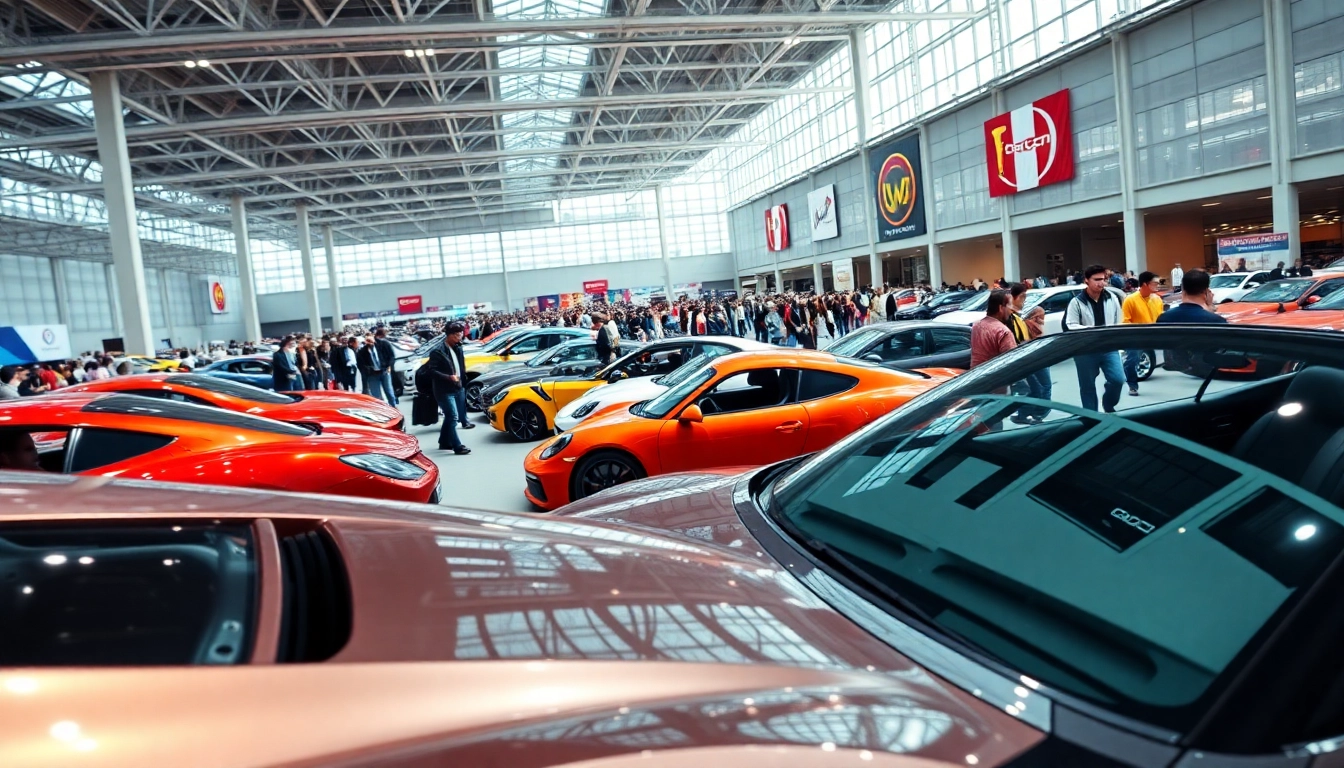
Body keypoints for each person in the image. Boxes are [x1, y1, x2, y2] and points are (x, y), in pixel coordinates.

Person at [1063, 264, 1125, 413]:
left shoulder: (1111, 298)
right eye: (1096, 280)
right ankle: (1091, 417)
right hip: (1086, 350)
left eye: (1103, 279)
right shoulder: (1077, 302)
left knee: (1118, 380)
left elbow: (1118, 321)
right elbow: (1071, 325)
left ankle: (1108, 404)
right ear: (1086, 280)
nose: (1101, 283)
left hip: (1108, 347)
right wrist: (1092, 331)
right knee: (1087, 386)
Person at [428, 322, 471, 455]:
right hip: (444, 390)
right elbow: (432, 371)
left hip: (458, 386)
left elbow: (461, 367)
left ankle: (444, 441)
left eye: (461, 334)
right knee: (452, 416)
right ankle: (457, 446)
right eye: (457, 335)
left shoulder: (458, 348)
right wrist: (448, 377)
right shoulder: (438, 351)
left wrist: (463, 381)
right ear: (450, 335)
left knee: (450, 417)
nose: (460, 337)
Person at [1120, 271, 1164, 396]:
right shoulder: (1130, 300)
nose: (1158, 285)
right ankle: (1132, 385)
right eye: (1155, 283)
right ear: (1145, 284)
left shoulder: (1157, 299)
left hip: (1153, 336)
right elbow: (1125, 321)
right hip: (1135, 337)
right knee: (1131, 360)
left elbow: (1160, 318)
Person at [1157, 269, 1227, 324]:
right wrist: (1210, 307)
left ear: (1183, 290)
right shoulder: (1217, 321)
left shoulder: (1164, 318)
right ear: (1206, 292)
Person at [970, 290, 1016, 369]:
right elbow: (1013, 363)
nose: (1012, 310)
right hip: (996, 375)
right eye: (1010, 305)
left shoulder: (977, 325)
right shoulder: (1003, 332)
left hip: (974, 374)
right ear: (1001, 308)